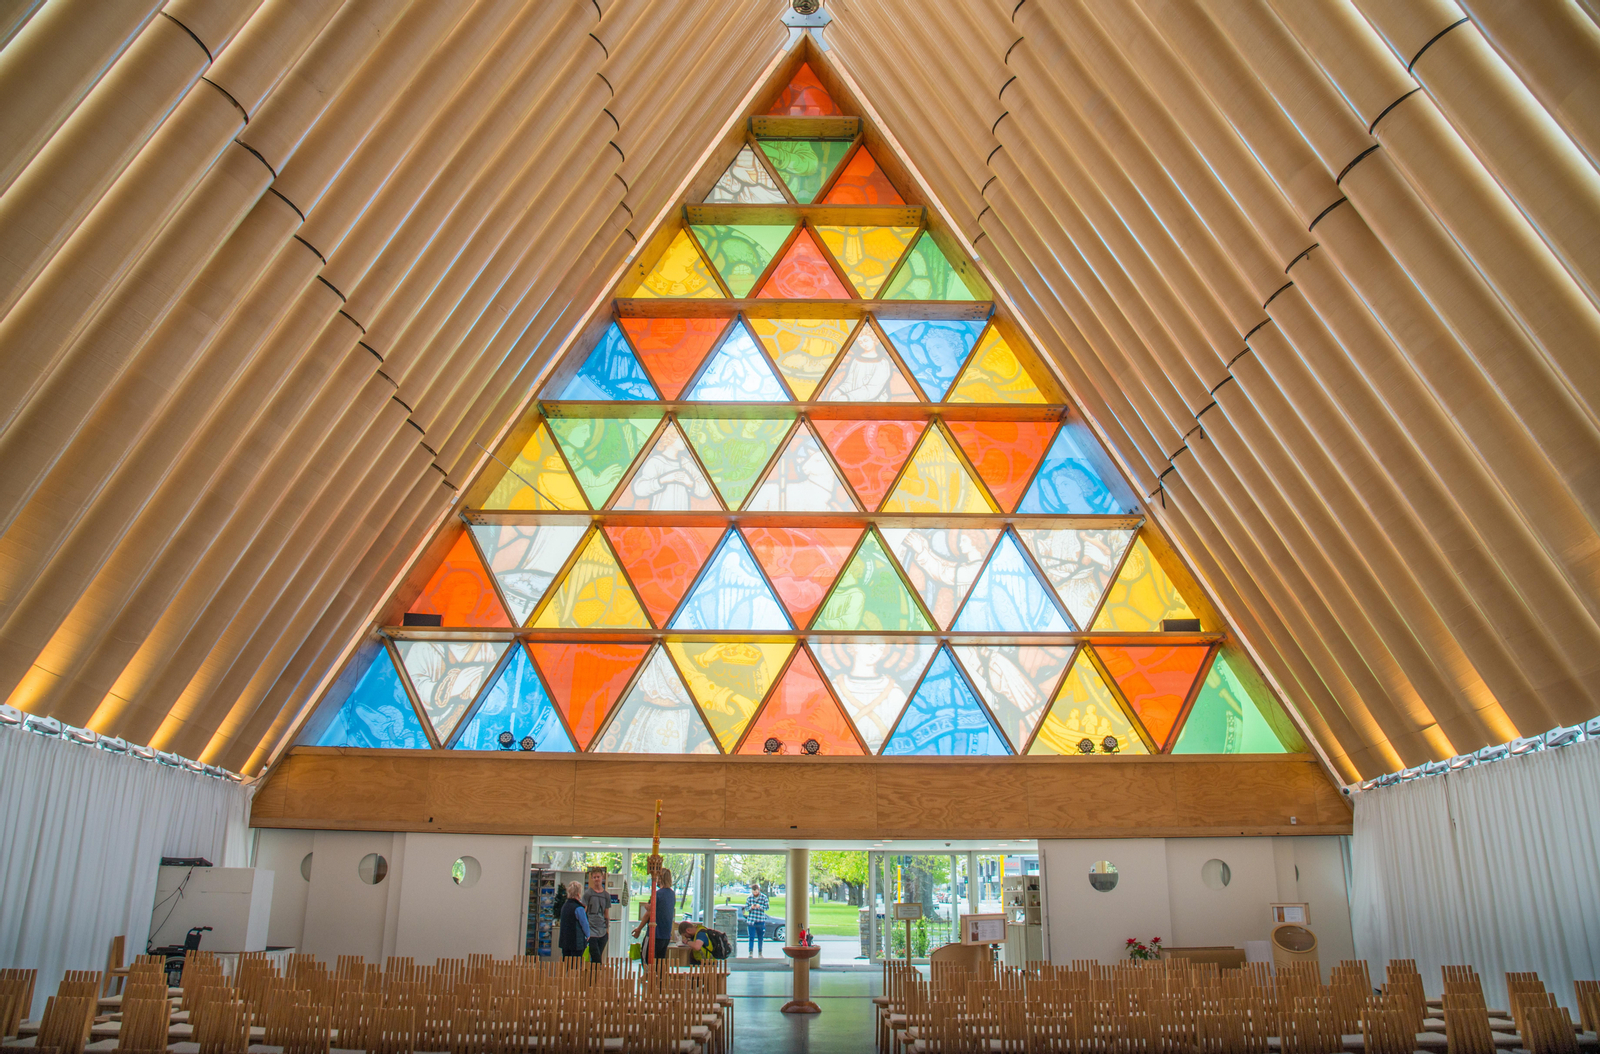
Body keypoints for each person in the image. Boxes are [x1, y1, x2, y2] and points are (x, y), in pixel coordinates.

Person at [631, 867, 675, 964]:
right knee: (659, 962)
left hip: (654, 934)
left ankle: (647, 976)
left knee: (646, 959)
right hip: (666, 935)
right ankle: (658, 978)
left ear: (660, 878)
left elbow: (648, 914)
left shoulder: (657, 894)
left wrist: (639, 929)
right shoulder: (672, 894)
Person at [583, 868, 610, 963]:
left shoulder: (606, 895)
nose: (596, 879)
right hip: (591, 929)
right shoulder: (588, 894)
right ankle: (595, 975)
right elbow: (584, 911)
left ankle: (595, 974)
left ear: (602, 877)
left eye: (598, 877)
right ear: (591, 879)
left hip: (602, 929)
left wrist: (607, 929)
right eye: (594, 877)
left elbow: (606, 913)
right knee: (595, 955)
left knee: (599, 954)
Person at [558, 881, 589, 963]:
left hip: (565, 941)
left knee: (566, 964)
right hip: (576, 942)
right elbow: (584, 924)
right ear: (579, 893)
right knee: (576, 965)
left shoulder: (564, 906)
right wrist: (588, 935)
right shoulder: (579, 908)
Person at [744, 879, 769, 957]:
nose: (755, 893)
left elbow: (767, 907)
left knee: (760, 937)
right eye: (753, 892)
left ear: (759, 890)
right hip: (751, 920)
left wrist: (760, 907)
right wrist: (751, 907)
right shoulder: (749, 898)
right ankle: (750, 952)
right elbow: (746, 908)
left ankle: (760, 952)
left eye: (756, 892)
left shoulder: (764, 897)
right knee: (751, 937)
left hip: (760, 920)